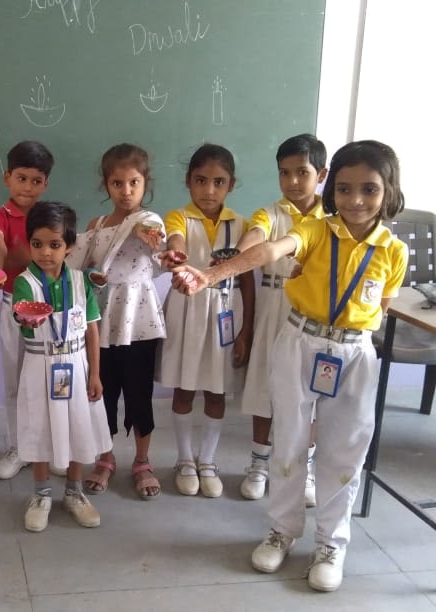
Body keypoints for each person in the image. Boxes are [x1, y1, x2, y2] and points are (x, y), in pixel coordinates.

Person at [171, 140, 407, 592]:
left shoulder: (393, 251)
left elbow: (380, 308)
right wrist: (213, 274)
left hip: (353, 353)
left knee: (345, 451)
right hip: (301, 341)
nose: (355, 200)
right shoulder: (315, 229)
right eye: (345, 189)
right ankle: (282, 530)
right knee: (289, 442)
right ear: (332, 189)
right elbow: (267, 250)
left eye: (369, 189)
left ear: (389, 190)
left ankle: (331, 544)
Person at [66, 144, 167, 499]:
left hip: (139, 322)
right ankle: (105, 458)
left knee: (139, 394)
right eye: (117, 183)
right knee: (102, 392)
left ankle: (142, 461)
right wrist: (92, 275)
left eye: (134, 182)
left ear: (145, 183)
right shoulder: (95, 227)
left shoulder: (148, 221)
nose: (126, 191)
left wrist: (152, 238)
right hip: (101, 320)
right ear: (106, 185)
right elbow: (81, 266)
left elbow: (157, 242)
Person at [156, 144, 254, 498]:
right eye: (200, 180)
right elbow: (176, 240)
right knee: (184, 388)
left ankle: (207, 460)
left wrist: (246, 330)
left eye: (218, 182)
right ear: (188, 181)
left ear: (230, 185)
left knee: (217, 390)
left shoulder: (241, 225)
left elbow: (247, 279)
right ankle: (184, 459)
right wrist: (175, 252)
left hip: (227, 311)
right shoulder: (178, 217)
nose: (209, 190)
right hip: (187, 309)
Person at [237, 134, 328, 504]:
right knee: (265, 386)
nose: (292, 181)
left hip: (313, 311)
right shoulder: (270, 214)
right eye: (284, 172)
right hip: (273, 307)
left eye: (302, 172)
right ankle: (259, 464)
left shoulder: (333, 220)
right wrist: (233, 255)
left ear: (321, 174)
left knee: (310, 394)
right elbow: (255, 237)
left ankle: (301, 469)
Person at [13, 201, 112, 532]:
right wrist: (25, 317)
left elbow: (92, 329)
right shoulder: (25, 282)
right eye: (37, 244)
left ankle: (74, 491)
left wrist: (95, 373)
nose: (45, 252)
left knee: (78, 425)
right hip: (39, 366)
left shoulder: (81, 282)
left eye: (54, 244)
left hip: (76, 365)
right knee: (39, 427)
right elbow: (21, 313)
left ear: (69, 246)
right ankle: (41, 493)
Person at [0, 140, 54, 480]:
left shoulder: (52, 218)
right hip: (13, 307)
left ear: (45, 184)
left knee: (47, 381)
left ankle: (48, 448)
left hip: (50, 311)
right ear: (7, 178)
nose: (28, 187)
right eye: (21, 178)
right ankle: (19, 447)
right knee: (15, 381)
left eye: (36, 181)